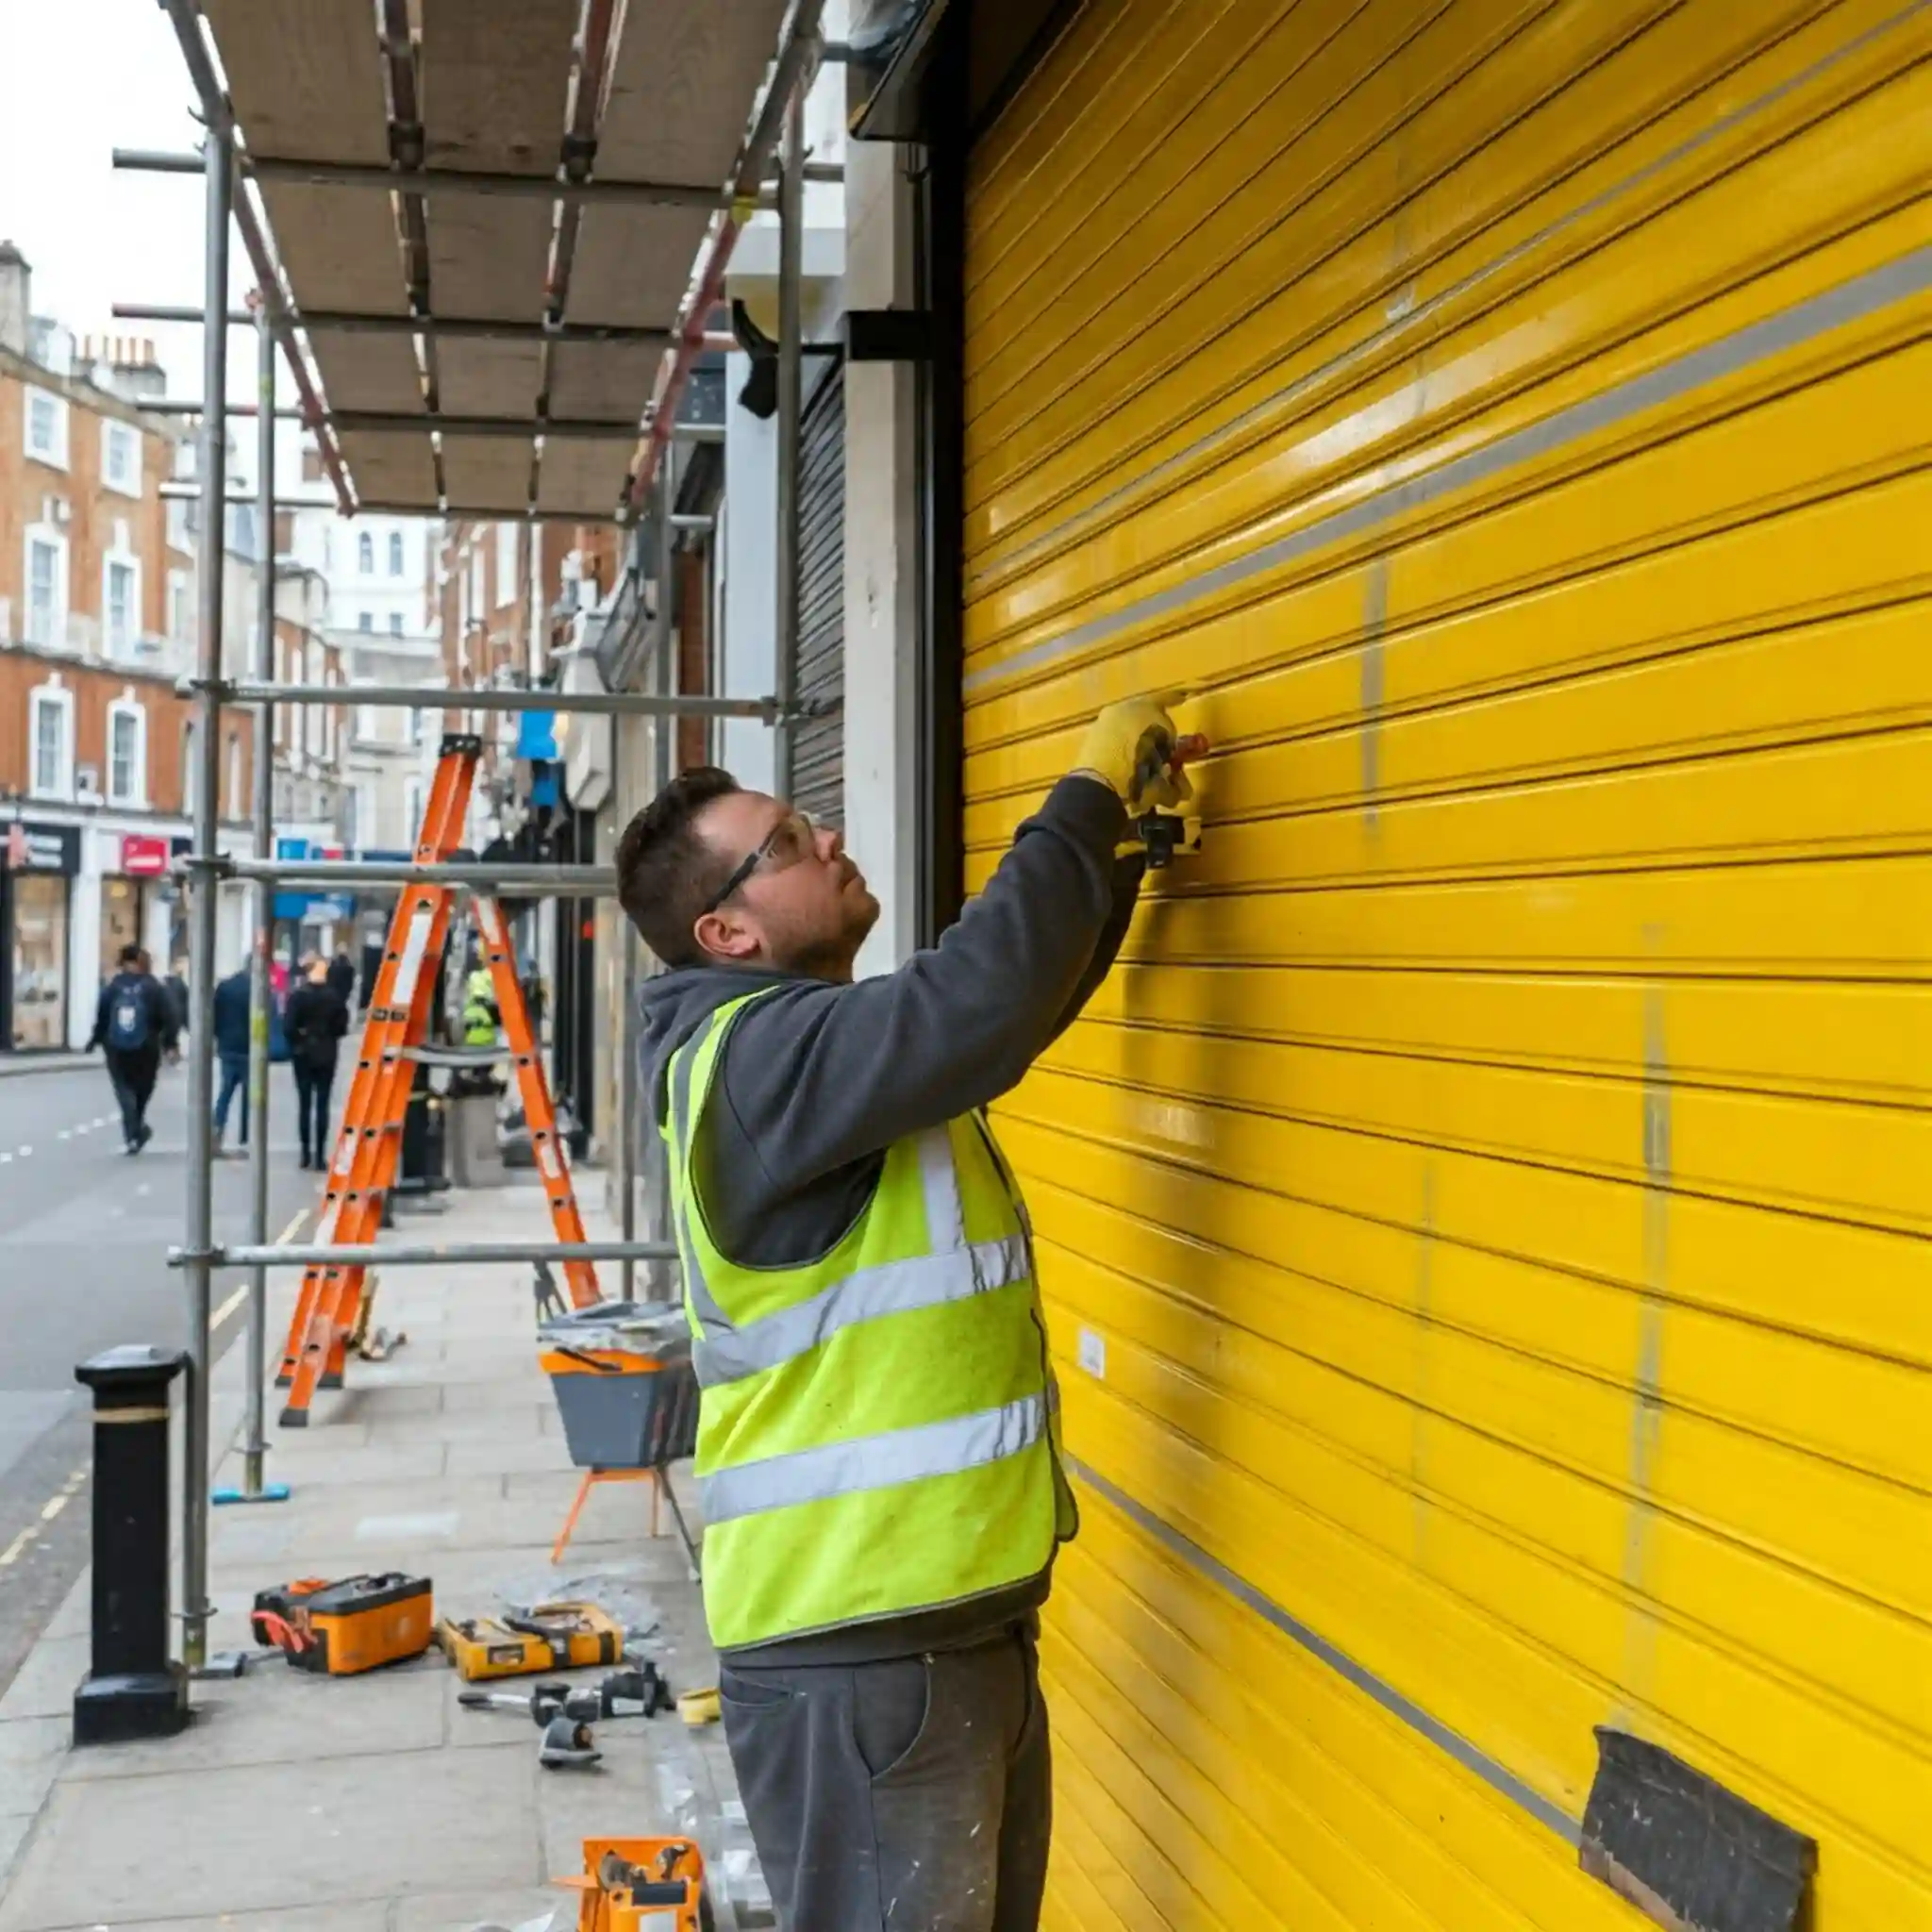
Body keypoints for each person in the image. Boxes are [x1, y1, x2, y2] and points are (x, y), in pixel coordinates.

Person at [615, 694, 1203, 1932]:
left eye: (810, 822)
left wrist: (1121, 857)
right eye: (784, 844)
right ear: (724, 930)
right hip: (860, 1662)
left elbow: (1005, 1013)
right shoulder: (763, 1066)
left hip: (932, 1637)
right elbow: (974, 1004)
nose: (827, 838)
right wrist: (1082, 799)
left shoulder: (813, 1057)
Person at [88, 942, 179, 1154]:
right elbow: (170, 1016)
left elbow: (102, 1015)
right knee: (143, 1088)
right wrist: (170, 1044)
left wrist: (95, 1039)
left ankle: (133, 1131)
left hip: (116, 1047)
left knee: (123, 1087)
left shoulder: (112, 987)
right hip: (147, 1046)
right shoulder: (154, 987)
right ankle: (136, 1125)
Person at [284, 955, 349, 1169]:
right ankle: (320, 1156)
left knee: (304, 1104)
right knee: (323, 1104)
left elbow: (288, 1028)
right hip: (327, 1053)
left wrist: (300, 1039)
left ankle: (305, 1154)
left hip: (303, 1054)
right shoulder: (334, 997)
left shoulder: (298, 997)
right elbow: (341, 1028)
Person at [210, 963, 253, 1157]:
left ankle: (217, 1132)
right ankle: (245, 1136)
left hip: (227, 1046)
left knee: (225, 1093)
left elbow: (215, 1015)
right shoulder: (256, 987)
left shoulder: (225, 987)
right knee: (250, 1094)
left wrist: (217, 1037)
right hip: (249, 1047)